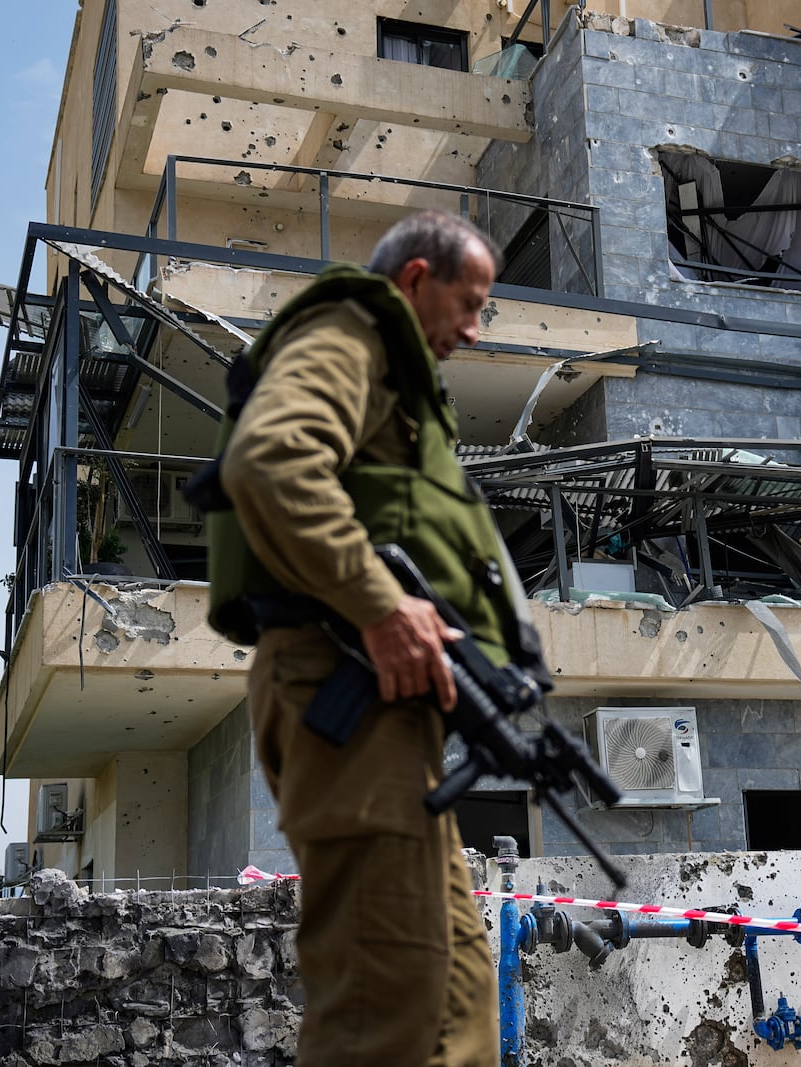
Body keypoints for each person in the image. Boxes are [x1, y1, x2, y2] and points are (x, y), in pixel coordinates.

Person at [210, 211, 515, 1065]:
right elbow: (270, 459)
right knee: (386, 1011)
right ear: (416, 279)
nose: (474, 328)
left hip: (388, 716)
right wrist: (382, 604)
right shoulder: (352, 333)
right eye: (469, 302)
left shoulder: (399, 374)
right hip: (339, 687)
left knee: (454, 997)